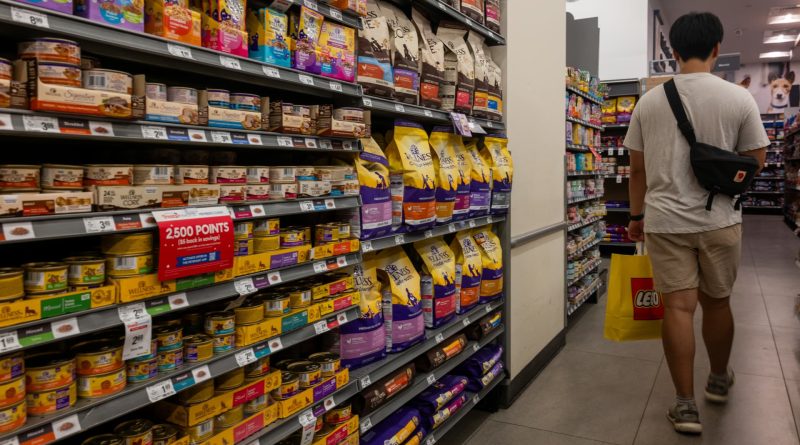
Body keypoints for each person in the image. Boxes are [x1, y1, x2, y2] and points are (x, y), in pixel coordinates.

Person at [623, 12, 768, 435]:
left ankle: (685, 406)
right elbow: (756, 160)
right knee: (718, 303)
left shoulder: (649, 102)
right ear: (717, 48)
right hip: (720, 218)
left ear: (674, 52)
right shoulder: (738, 98)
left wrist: (635, 217)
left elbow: (636, 170)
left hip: (665, 222)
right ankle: (718, 379)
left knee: (678, 308)